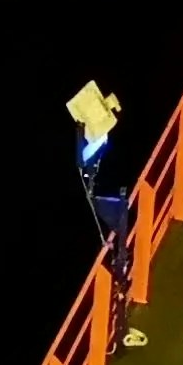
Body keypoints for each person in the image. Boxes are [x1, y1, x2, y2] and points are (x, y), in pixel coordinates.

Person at [68, 79, 129, 251]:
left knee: (122, 216)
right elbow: (81, 159)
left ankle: (120, 258)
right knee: (121, 216)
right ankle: (120, 260)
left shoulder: (103, 137)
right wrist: (79, 131)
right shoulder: (98, 139)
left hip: (102, 191)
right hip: (99, 194)